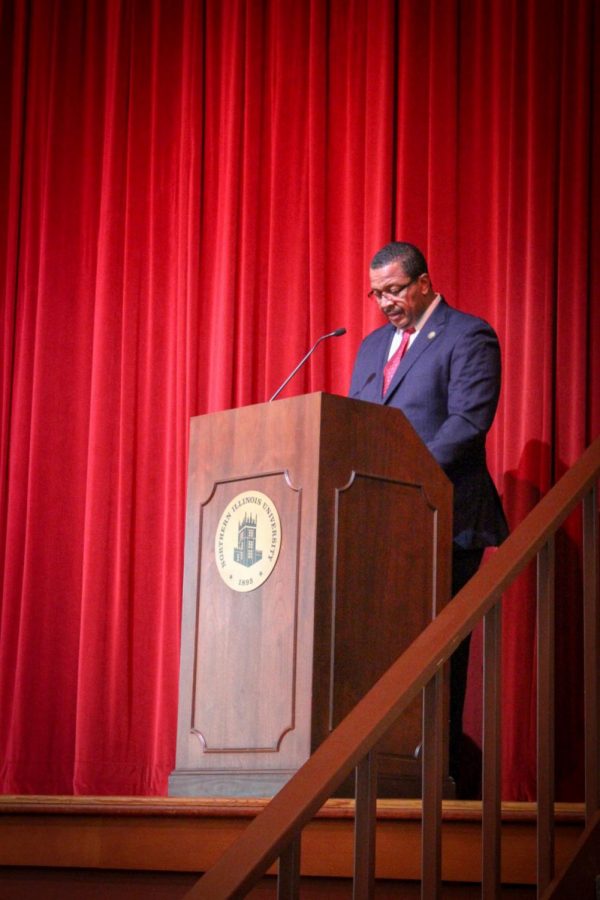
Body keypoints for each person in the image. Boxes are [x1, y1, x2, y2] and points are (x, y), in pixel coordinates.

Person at [349, 241, 508, 793]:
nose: (385, 302)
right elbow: (356, 425)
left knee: (440, 653)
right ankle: (386, 768)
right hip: (379, 521)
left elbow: (467, 422)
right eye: (376, 293)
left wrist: (406, 472)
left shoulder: (469, 335)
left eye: (393, 289)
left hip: (446, 517)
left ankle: (437, 772)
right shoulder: (370, 348)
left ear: (423, 283)